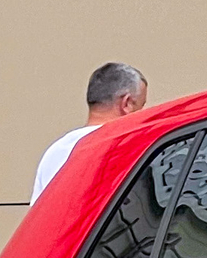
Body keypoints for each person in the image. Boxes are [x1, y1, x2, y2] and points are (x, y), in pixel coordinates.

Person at [33, 62, 148, 200]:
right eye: (141, 106)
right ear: (127, 104)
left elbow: (37, 216)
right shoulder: (126, 149)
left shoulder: (55, 152)